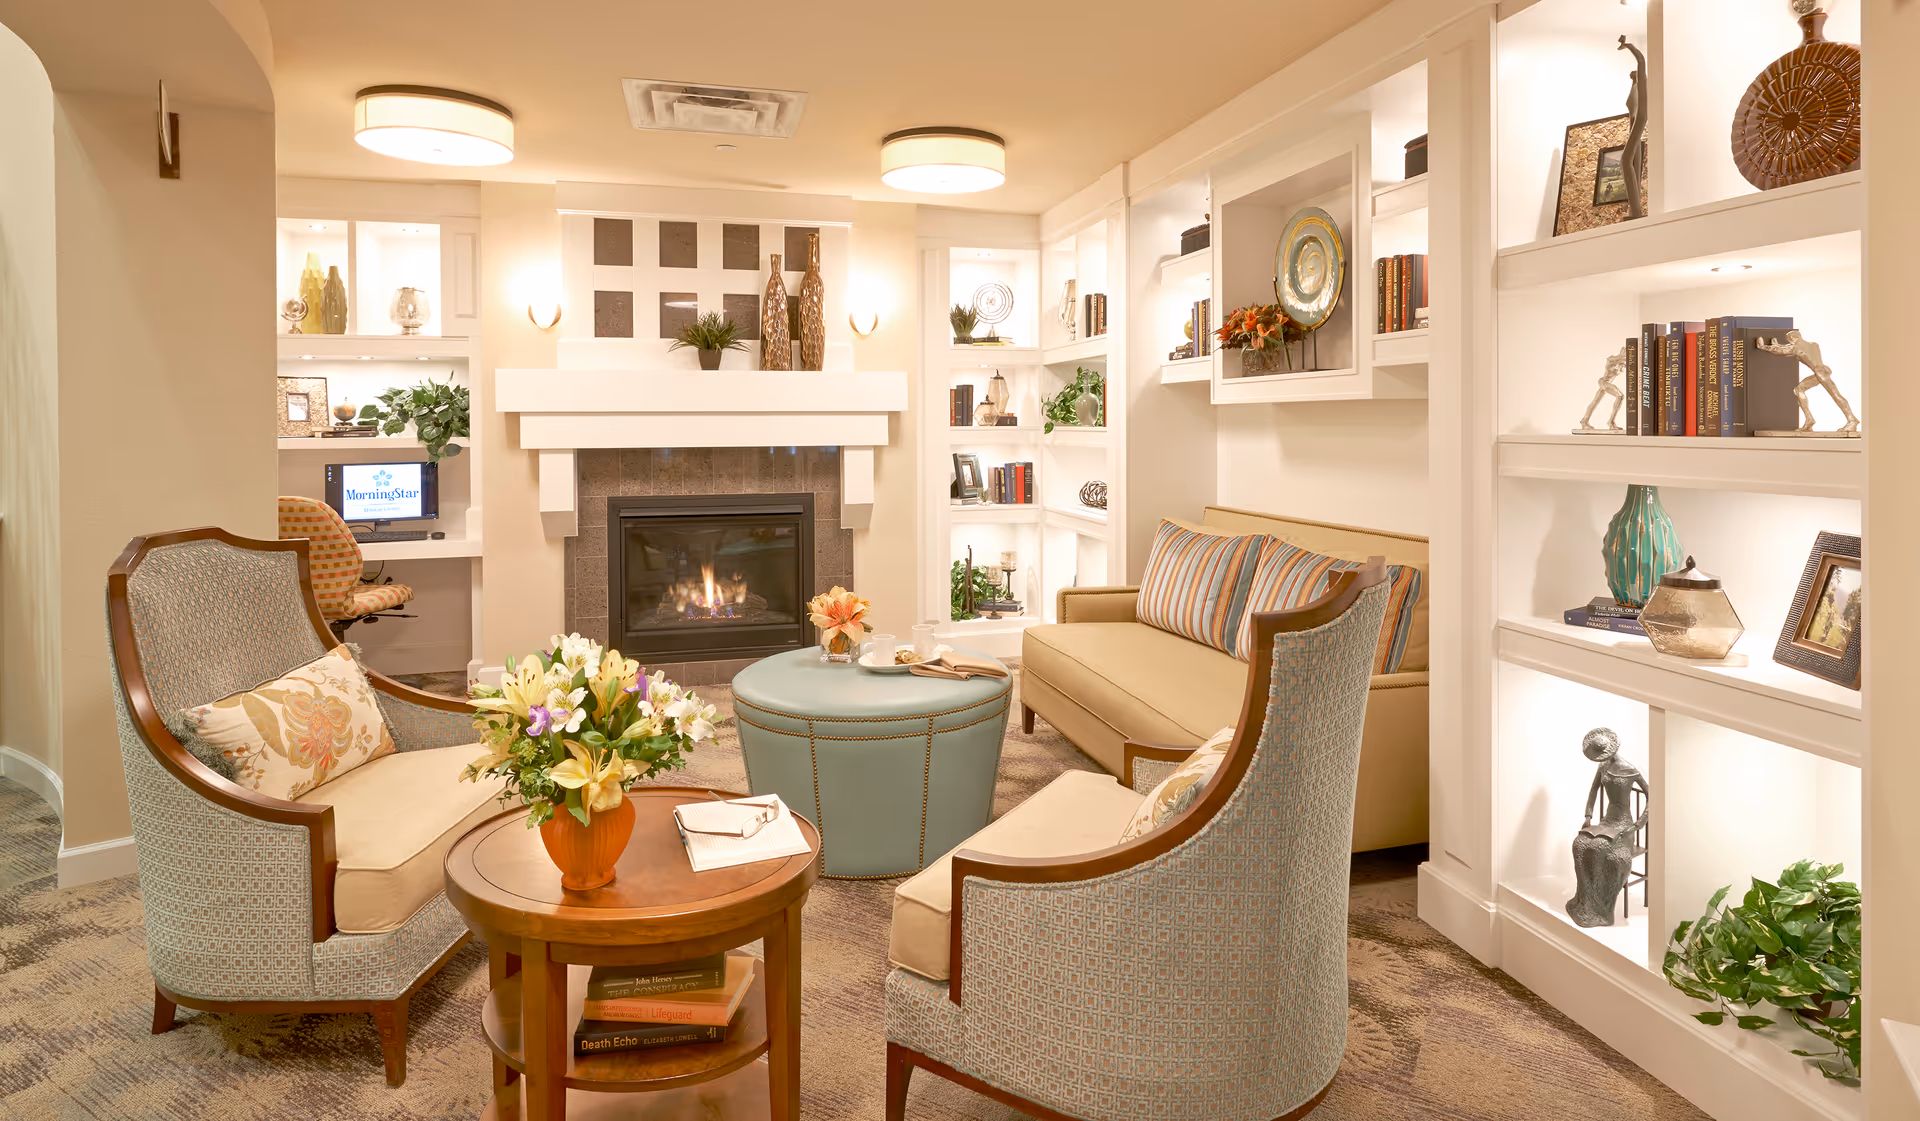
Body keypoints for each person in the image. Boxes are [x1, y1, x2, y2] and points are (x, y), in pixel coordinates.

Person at [1566, 727, 1649, 928]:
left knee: (1597, 848)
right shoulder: (1603, 766)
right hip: (1606, 821)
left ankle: (1600, 907)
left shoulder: (1630, 770)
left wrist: (1639, 824)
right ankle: (1584, 899)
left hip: (1623, 823)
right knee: (1579, 844)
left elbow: (1651, 796)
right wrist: (1588, 815)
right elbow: (1593, 791)